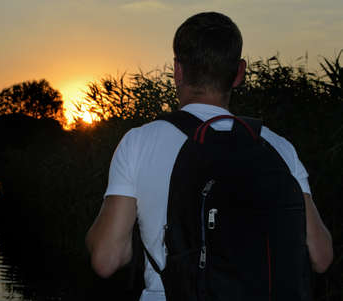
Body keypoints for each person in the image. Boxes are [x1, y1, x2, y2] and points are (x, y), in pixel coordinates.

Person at [85, 11, 333, 300]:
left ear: (177, 71)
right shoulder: (278, 147)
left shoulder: (139, 143)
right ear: (239, 73)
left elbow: (107, 259)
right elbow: (321, 256)